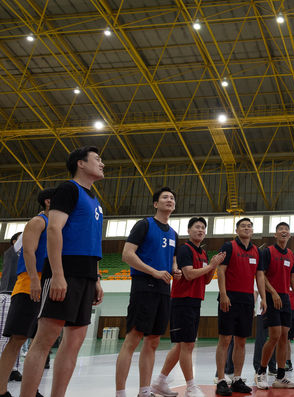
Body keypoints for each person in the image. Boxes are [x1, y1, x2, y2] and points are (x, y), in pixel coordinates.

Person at [19, 147, 104, 397]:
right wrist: (57, 274)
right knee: (44, 341)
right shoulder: (68, 190)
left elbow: (93, 239)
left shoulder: (95, 199)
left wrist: (96, 278)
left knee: (73, 345)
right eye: (97, 160)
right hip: (65, 272)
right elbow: (54, 230)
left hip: (87, 275)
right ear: (80, 163)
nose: (102, 164)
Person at [115, 187, 179, 397]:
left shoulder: (173, 234)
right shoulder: (144, 225)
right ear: (155, 204)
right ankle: (120, 392)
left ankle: (144, 391)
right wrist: (154, 272)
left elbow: (172, 261)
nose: (169, 200)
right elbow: (127, 255)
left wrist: (174, 270)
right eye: (165, 197)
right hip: (144, 286)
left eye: (172, 198)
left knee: (153, 341)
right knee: (133, 339)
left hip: (163, 289)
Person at [152, 217, 225, 397]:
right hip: (182, 300)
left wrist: (213, 266)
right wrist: (212, 266)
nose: (200, 230)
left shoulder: (203, 253)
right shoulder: (185, 249)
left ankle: (159, 382)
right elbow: (189, 274)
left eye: (203, 228)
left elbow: (206, 280)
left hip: (195, 301)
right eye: (197, 227)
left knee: (180, 346)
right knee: (188, 344)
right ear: (189, 230)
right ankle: (191, 386)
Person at [0, 189, 54, 397]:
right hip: (29, 286)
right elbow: (29, 251)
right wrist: (33, 280)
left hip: (47, 286)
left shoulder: (59, 226)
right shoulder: (37, 222)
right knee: (17, 340)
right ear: (48, 202)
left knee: (40, 342)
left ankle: (31, 390)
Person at [214, 217, 263, 396]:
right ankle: (221, 380)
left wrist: (260, 300)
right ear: (237, 230)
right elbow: (221, 271)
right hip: (229, 298)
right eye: (243, 226)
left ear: (252, 230)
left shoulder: (257, 251)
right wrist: (224, 294)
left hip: (247, 300)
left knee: (241, 341)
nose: (246, 228)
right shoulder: (228, 247)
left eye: (249, 226)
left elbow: (259, 277)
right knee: (225, 340)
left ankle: (236, 379)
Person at [254, 222, 294, 390]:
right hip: (271, 296)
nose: (284, 232)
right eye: (280, 230)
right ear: (275, 235)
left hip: (285, 299)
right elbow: (261, 276)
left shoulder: (291, 254)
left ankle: (280, 377)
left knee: (284, 337)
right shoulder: (267, 252)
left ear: (289, 235)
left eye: (286, 230)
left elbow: (293, 279)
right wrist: (272, 293)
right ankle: (261, 372)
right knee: (274, 335)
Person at [0, 231, 22, 387]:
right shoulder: (11, 252)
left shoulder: (27, 256)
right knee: (3, 337)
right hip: (6, 296)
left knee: (18, 336)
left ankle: (14, 368)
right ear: (15, 241)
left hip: (20, 296)